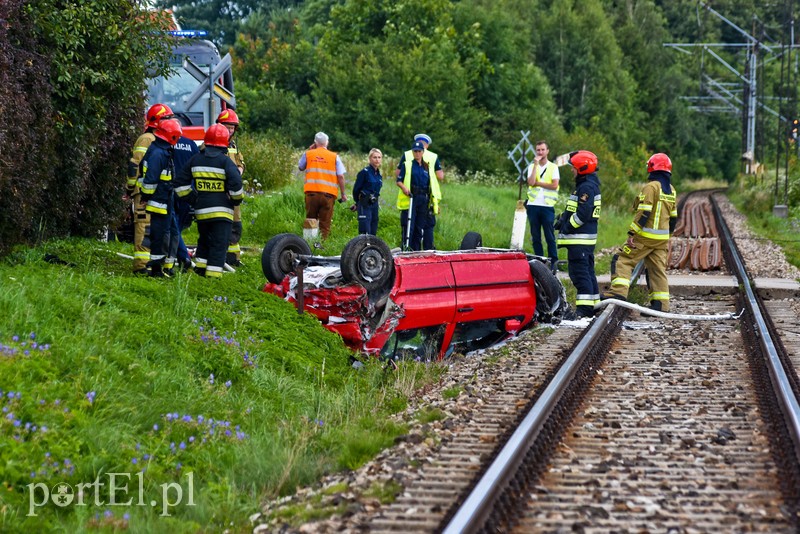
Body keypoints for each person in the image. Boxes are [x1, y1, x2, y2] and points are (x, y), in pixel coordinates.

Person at [601, 153, 677, 311]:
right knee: (657, 270)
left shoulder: (651, 187)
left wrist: (632, 234)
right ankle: (661, 305)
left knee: (622, 259)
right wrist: (667, 236)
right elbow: (674, 218)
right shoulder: (671, 190)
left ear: (652, 168)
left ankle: (618, 293)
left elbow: (644, 213)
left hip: (645, 237)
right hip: (661, 239)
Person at [174, 124, 244, 278]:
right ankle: (212, 277)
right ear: (224, 142)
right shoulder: (225, 162)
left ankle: (200, 269)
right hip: (222, 213)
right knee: (219, 244)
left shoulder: (195, 159)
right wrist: (234, 200)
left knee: (204, 241)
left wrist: (194, 199)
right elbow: (237, 185)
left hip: (202, 211)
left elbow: (179, 184)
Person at [125, 103, 173, 274]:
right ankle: (141, 265)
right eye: (167, 118)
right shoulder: (147, 139)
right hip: (144, 192)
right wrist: (131, 189)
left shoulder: (162, 140)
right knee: (144, 226)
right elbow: (134, 167)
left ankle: (153, 264)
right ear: (158, 121)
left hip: (156, 193)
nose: (171, 122)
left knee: (155, 228)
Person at [556, 150, 601, 318]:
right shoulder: (587, 185)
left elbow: (582, 215)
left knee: (580, 274)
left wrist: (567, 227)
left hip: (579, 240)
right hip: (583, 241)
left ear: (582, 168)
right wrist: (562, 220)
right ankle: (594, 304)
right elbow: (576, 210)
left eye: (573, 167)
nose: (571, 170)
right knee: (588, 272)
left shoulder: (586, 187)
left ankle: (584, 310)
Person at [139, 119, 182, 278]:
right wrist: (146, 196)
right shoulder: (159, 153)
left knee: (168, 233)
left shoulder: (160, 149)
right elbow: (151, 179)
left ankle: (163, 267)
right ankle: (155, 269)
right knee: (159, 235)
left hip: (164, 199)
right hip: (159, 201)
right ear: (172, 136)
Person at [395, 133, 442, 249]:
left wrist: (433, 201)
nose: (417, 153)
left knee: (419, 226)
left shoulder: (426, 166)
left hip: (424, 198)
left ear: (423, 151)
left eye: (419, 151)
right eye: (415, 151)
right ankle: (407, 249)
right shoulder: (408, 164)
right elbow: (399, 179)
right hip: (411, 197)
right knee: (409, 226)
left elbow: (432, 183)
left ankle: (416, 250)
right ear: (412, 152)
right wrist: (405, 188)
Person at [298, 132, 347, 240]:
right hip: (328, 196)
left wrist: (310, 150)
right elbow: (341, 176)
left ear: (315, 142)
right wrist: (343, 194)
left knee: (311, 221)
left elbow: (301, 167)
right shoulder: (334, 157)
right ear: (327, 142)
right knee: (325, 224)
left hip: (311, 194)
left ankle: (309, 245)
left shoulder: (308, 154)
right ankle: (322, 246)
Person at [525, 140, 560, 272]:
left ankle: (553, 261)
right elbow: (531, 181)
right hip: (533, 205)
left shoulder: (553, 167)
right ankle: (539, 260)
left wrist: (538, 184)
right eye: (538, 150)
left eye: (542, 149)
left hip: (547, 206)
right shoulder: (531, 166)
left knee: (549, 235)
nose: (540, 152)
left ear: (547, 151)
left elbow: (554, 185)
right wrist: (535, 165)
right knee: (536, 236)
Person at [216, 109, 245, 266]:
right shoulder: (212, 144)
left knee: (235, 226)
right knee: (219, 225)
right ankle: (218, 258)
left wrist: (239, 171)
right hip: (218, 192)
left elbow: (241, 162)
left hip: (233, 191)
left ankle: (233, 259)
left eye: (232, 127)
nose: (230, 130)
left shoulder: (233, 145)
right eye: (227, 127)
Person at [172, 132, 199, 272]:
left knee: (173, 226)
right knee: (177, 226)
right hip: (187, 192)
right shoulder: (191, 144)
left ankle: (183, 257)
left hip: (170, 189)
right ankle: (181, 256)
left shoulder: (169, 143)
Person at [352, 148, 383, 235]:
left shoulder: (378, 174)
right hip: (365, 204)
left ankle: (372, 248)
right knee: (365, 231)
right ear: (370, 159)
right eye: (375, 157)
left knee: (373, 230)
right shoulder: (364, 172)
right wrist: (357, 202)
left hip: (374, 204)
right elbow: (356, 189)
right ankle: (364, 248)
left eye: (379, 157)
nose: (377, 160)